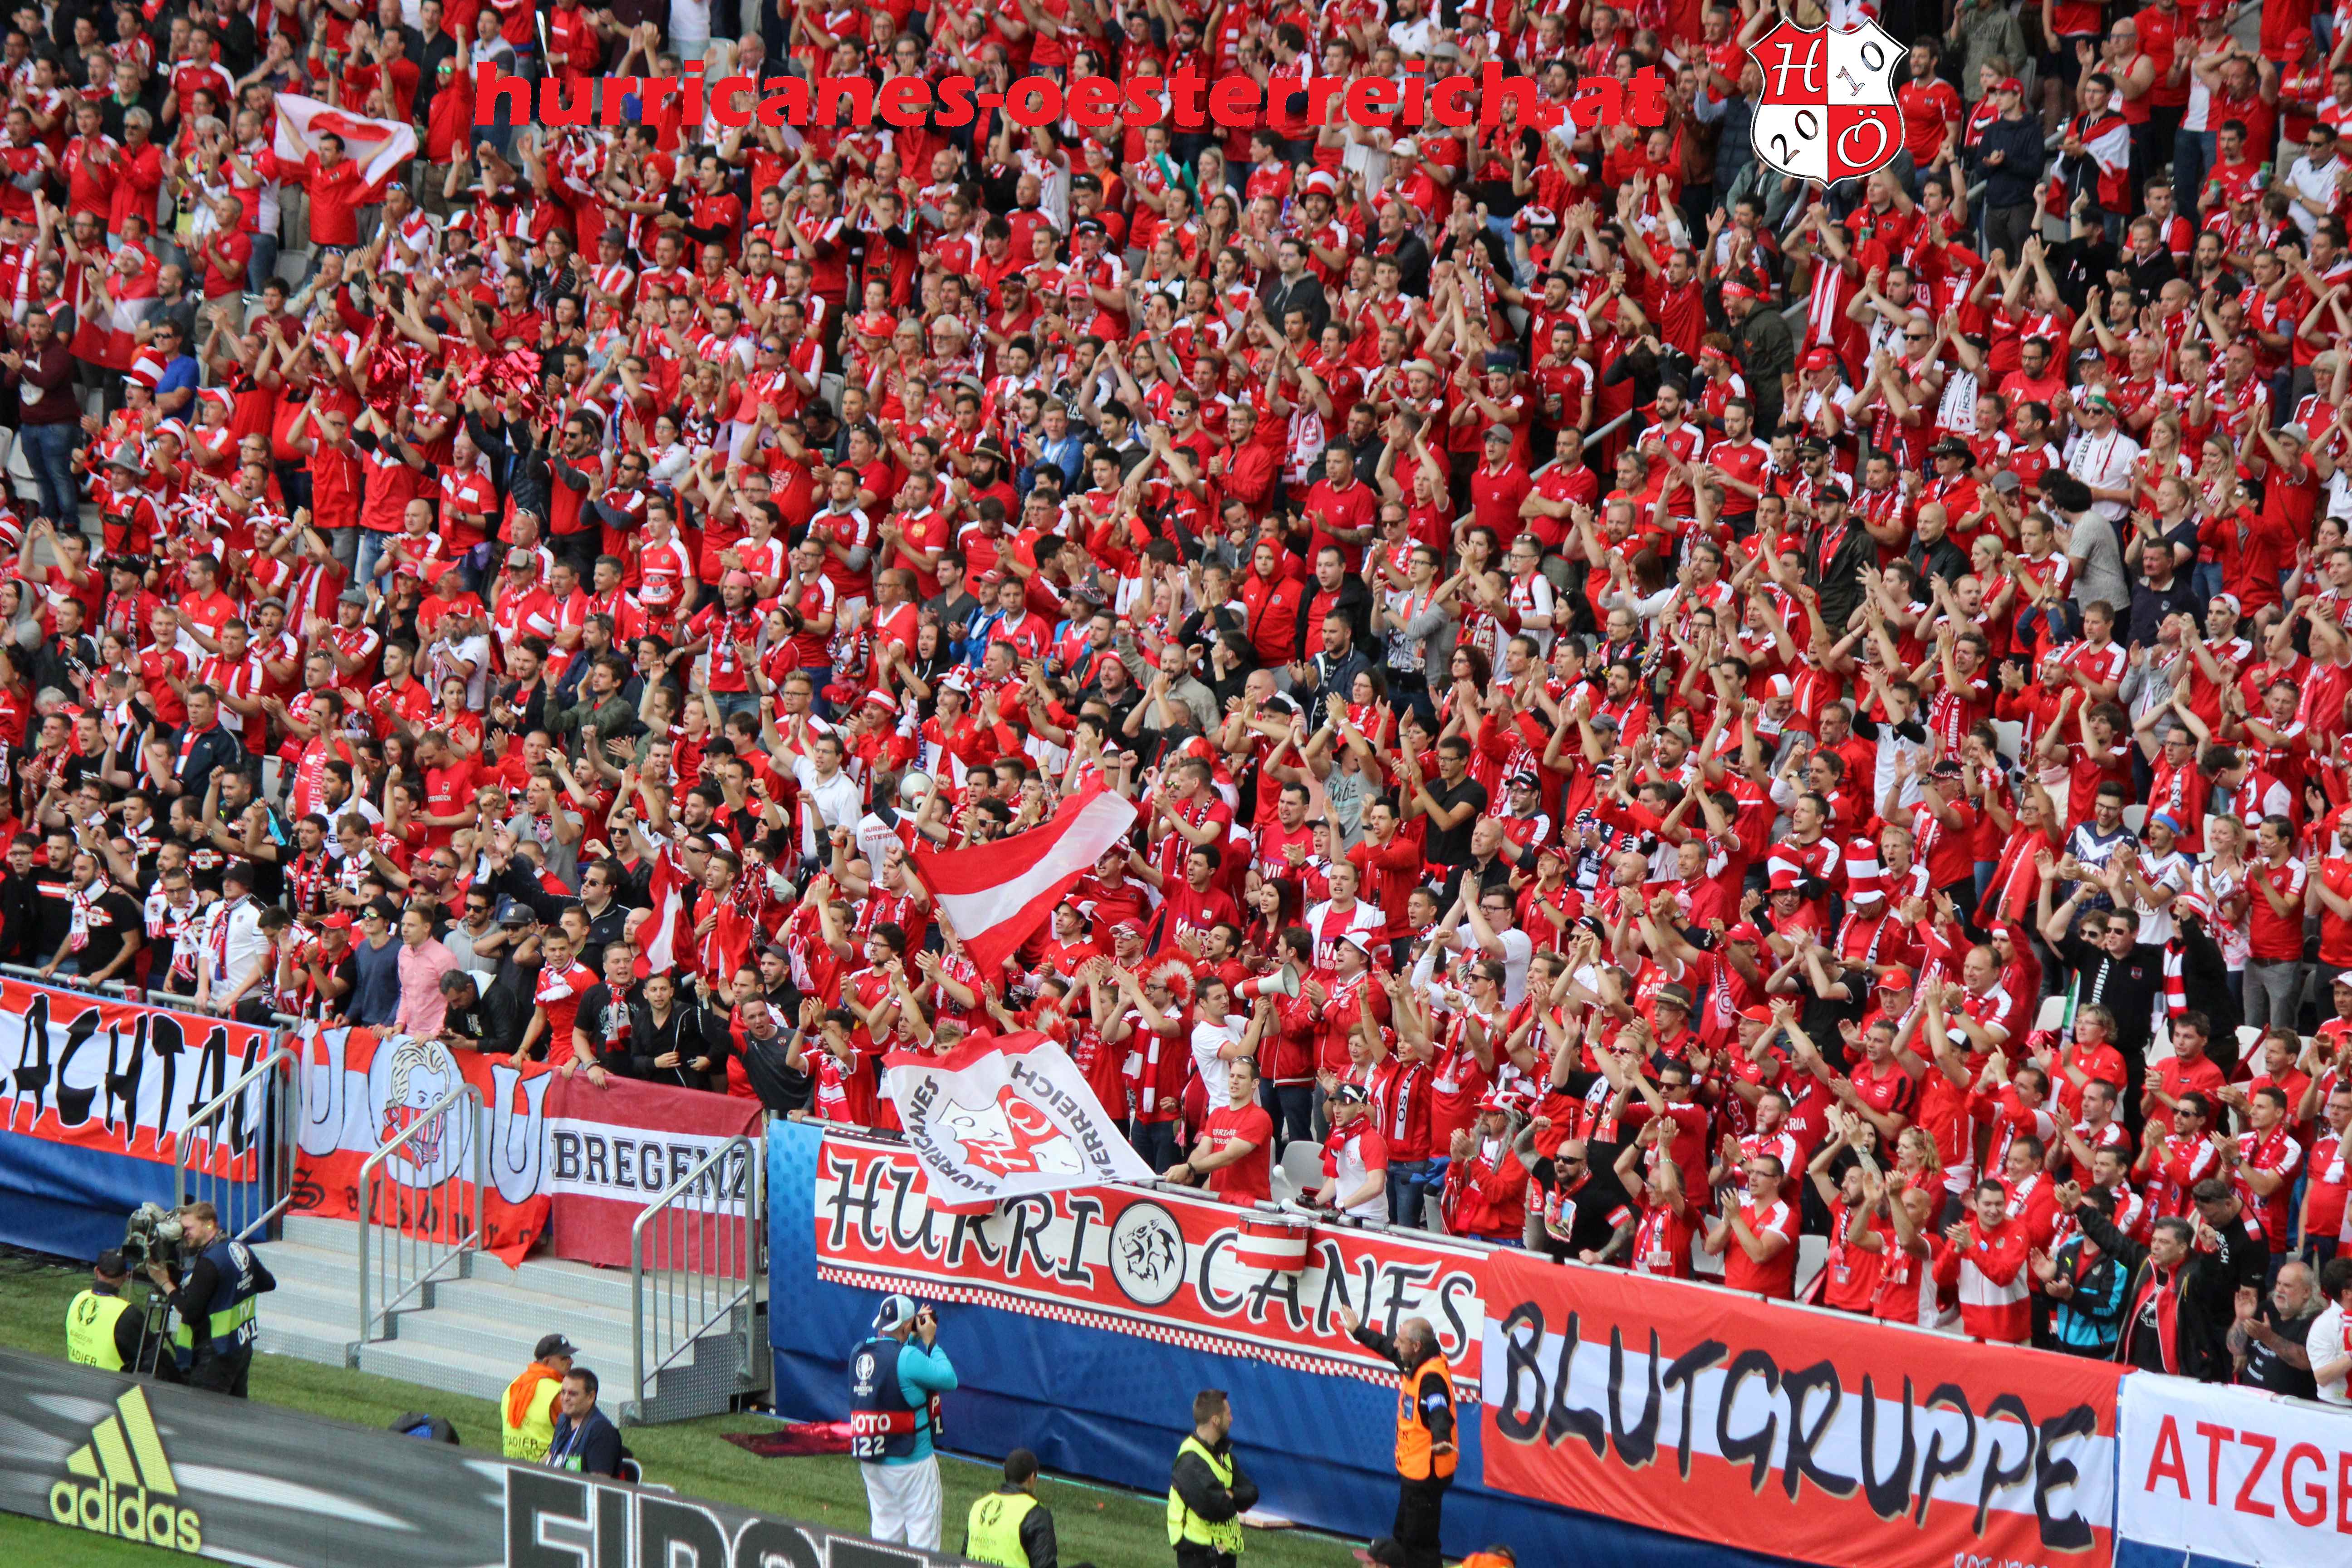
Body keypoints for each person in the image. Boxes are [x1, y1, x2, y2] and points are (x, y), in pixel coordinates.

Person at [2057, 1180, 2239, 1379]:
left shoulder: (2193, 1275)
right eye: (2154, 1240)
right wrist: (2080, 1208)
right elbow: (2112, 1238)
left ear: (2182, 1248)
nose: (2156, 1246)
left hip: (2178, 1377)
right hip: (2138, 1371)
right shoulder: (2147, 1264)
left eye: (2164, 1242)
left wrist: (2211, 1252)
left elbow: (2214, 1286)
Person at [1339, 1309, 1455, 1568]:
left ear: (1416, 1346)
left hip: (1427, 1475)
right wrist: (1358, 1331)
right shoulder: (1414, 1361)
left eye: (1401, 1341)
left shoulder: (1431, 1377)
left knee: (1419, 1549)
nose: (1395, 1345)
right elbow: (1386, 1346)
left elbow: (1439, 1410)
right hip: (1415, 1472)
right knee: (1403, 1539)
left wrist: (1441, 1438)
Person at [850, 1294, 958, 1550]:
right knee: (924, 1542)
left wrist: (910, 1335)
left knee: (884, 1538)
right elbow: (949, 1379)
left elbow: (890, 1356)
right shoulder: (909, 1358)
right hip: (912, 1462)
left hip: (872, 1461)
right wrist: (930, 1341)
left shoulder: (859, 1352)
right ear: (907, 1325)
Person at [1167, 1388, 1256, 1568]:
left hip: (1224, 1554)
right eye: (1228, 1414)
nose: (1232, 1419)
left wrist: (1230, 1494)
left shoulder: (1225, 1456)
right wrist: (1232, 1498)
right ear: (1215, 1420)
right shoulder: (1190, 1460)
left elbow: (1252, 1493)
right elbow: (1217, 1508)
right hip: (1198, 1556)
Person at [65, 1250, 175, 1378]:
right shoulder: (126, 1313)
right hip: (112, 1385)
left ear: (96, 1271)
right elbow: (151, 1353)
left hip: (75, 1378)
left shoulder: (79, 1298)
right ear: (126, 1276)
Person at [2232, 1264, 2323, 1398]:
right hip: (2250, 1399)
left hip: (2288, 1406)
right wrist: (2241, 1319)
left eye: (2287, 1286)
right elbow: (2234, 1348)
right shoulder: (2267, 1308)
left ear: (2306, 1292)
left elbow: (2306, 1361)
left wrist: (2268, 1338)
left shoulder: (2317, 1320)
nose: (2279, 1290)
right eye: (2278, 1283)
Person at [963, 1447, 1059, 1568]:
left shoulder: (979, 1506)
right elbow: (1045, 1565)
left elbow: (963, 1559)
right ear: (1032, 1477)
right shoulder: (1036, 1513)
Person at [501, 1333, 578, 1461]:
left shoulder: (514, 1385)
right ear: (547, 1361)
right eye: (564, 1358)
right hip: (546, 1470)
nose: (571, 1361)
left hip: (511, 1466)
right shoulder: (560, 1393)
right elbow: (579, 1437)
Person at [544, 1367, 625, 1477]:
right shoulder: (564, 1420)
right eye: (563, 1392)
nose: (565, 1398)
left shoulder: (601, 1431)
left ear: (591, 1397)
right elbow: (552, 1459)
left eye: (573, 1394)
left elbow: (599, 1483)